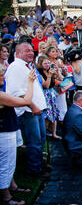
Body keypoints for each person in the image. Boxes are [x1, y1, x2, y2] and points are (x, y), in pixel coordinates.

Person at [5, 43, 50, 179]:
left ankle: (38, 164)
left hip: (37, 110)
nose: (31, 53)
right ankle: (34, 169)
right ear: (18, 53)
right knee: (34, 141)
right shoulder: (15, 68)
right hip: (27, 112)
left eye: (32, 50)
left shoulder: (27, 66)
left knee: (41, 138)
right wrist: (32, 106)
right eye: (27, 51)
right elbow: (15, 93)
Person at [0, 66, 36, 205]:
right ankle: (6, 196)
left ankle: (12, 185)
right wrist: (30, 82)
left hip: (7, 130)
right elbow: (26, 101)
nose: (4, 78)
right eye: (2, 76)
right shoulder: (1, 96)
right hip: (4, 133)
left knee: (9, 163)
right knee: (5, 164)